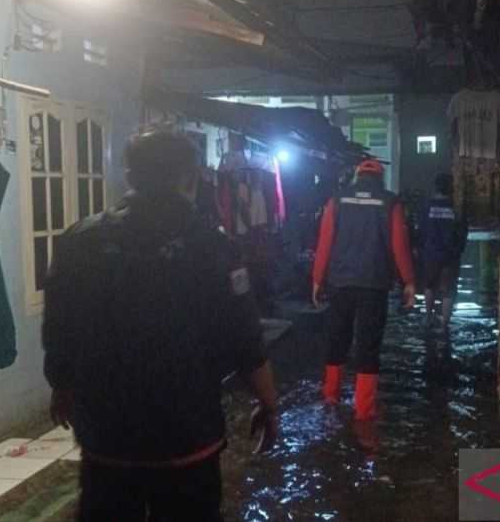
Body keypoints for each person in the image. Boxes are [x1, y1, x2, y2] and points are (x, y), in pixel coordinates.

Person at [42, 130, 278, 522]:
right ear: (190, 177)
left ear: (130, 176)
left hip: (107, 435)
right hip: (187, 436)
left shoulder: (80, 241)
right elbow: (245, 340)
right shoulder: (213, 246)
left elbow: (59, 326)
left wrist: (61, 384)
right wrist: (268, 404)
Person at [312, 159, 416, 421]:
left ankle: (330, 397)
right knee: (368, 345)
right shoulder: (390, 202)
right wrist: (409, 282)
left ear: (357, 177)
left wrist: (317, 280)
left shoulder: (337, 199)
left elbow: (324, 242)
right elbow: (399, 246)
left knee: (337, 339)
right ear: (380, 179)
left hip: (340, 283)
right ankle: (364, 410)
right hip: (374, 284)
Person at [421, 172, 469, 332]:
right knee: (448, 289)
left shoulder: (427, 206)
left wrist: (421, 248)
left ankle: (428, 317)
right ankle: (445, 325)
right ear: (450, 188)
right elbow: (463, 233)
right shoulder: (456, 209)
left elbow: (421, 230)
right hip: (450, 255)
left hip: (431, 254)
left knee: (429, 286)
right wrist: (458, 250)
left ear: (435, 187)